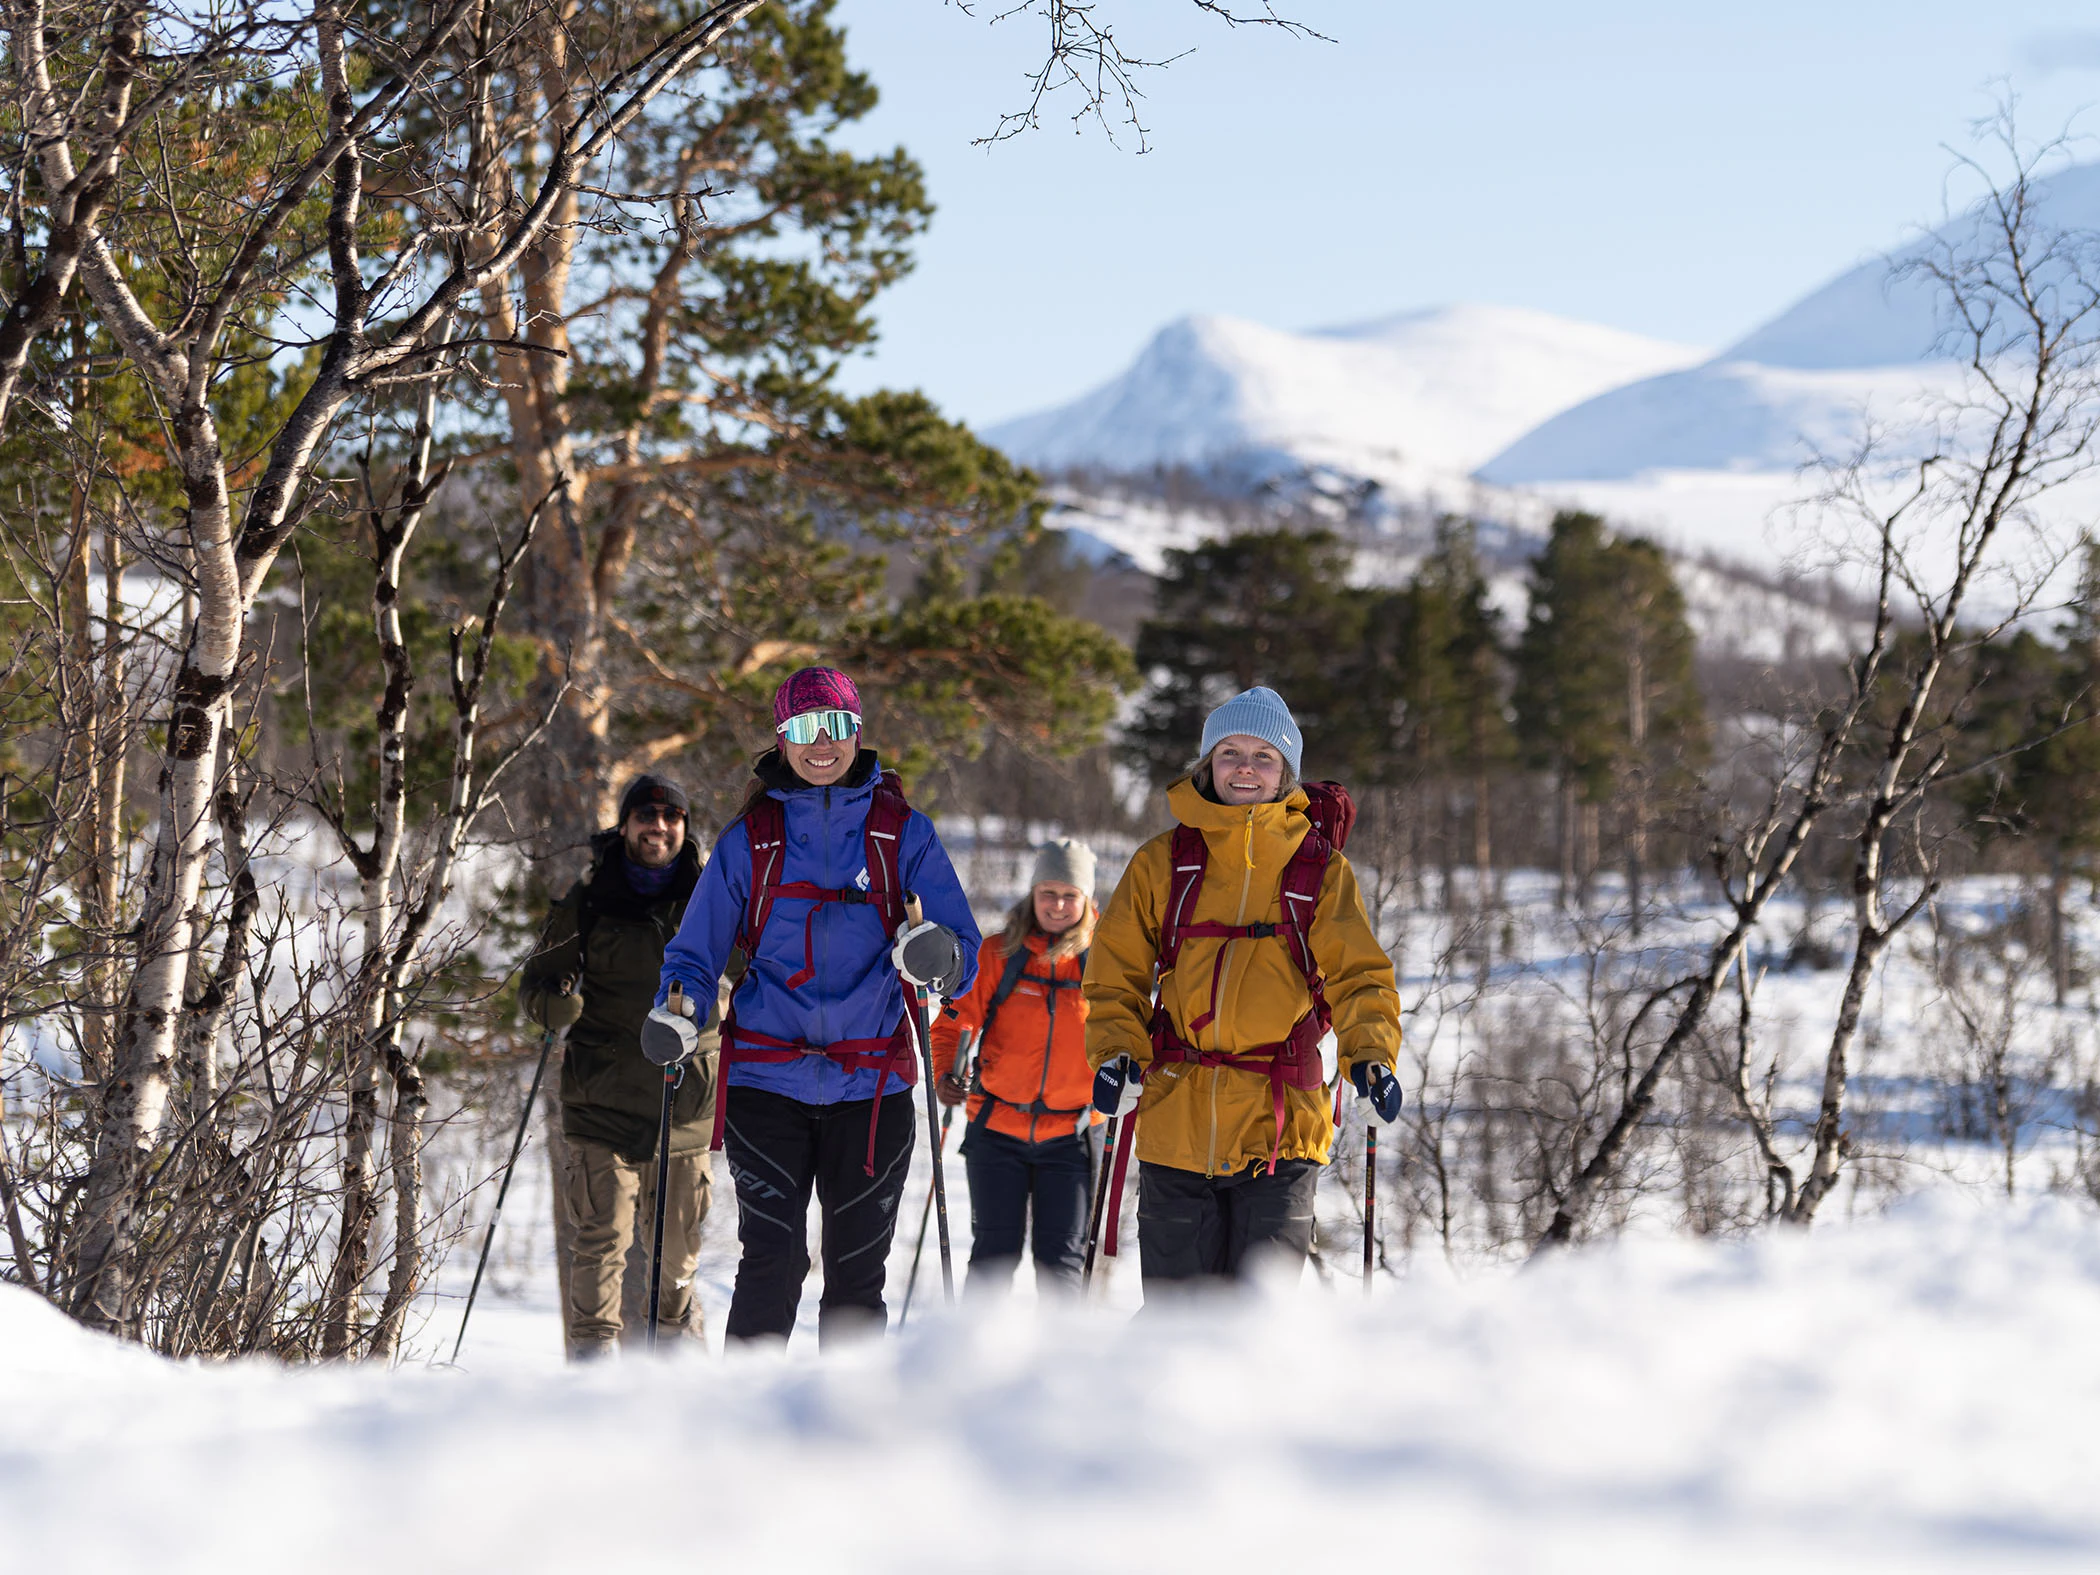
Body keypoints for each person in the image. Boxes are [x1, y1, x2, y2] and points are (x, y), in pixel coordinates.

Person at [644, 667, 980, 1346]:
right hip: (766, 1086)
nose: (819, 742)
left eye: (833, 725)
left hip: (874, 1088)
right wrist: (678, 1010)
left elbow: (964, 955)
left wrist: (934, 955)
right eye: (803, 727)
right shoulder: (753, 839)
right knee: (772, 1264)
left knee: (858, 1275)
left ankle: (850, 1435)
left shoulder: (901, 834)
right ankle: (746, 1431)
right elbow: (694, 953)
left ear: (857, 731)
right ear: (782, 738)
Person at [1084, 686, 1403, 1289]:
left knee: (1259, 1330)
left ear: (1286, 774)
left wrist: (1372, 1059)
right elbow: (1114, 974)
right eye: (1230, 752)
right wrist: (1115, 1052)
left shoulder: (1319, 869)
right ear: (1207, 765)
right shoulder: (1162, 862)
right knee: (1179, 1328)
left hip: (1280, 1131)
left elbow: (1360, 976)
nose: (1246, 768)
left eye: (1265, 756)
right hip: (1176, 1122)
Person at [522, 773, 718, 1360]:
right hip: (601, 1098)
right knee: (600, 1244)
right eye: (646, 817)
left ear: (684, 828)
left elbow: (755, 968)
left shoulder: (713, 896)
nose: (658, 828)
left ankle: (677, 1375)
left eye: (670, 818)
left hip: (683, 1102)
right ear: (626, 824)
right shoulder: (590, 896)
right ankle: (593, 1376)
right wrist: (554, 1002)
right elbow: (536, 983)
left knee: (675, 1260)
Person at [931, 838, 1102, 1297]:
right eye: (1048, 892)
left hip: (1073, 1136)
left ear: (1087, 900)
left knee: (1061, 1266)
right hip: (996, 1130)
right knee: (993, 1254)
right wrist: (946, 1074)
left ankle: (1057, 1365)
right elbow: (949, 1027)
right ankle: (976, 1361)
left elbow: (1129, 1038)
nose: (1058, 904)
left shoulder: (1106, 965)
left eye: (1070, 895)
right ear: (1032, 894)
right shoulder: (998, 954)